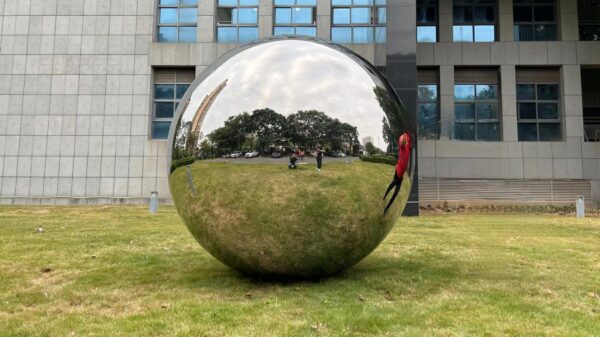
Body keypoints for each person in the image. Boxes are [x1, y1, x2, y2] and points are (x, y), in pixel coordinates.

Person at [383, 132, 412, 214]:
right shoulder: (402, 148)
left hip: (401, 178)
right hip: (397, 174)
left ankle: (386, 209)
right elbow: (401, 139)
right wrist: (403, 138)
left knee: (395, 195)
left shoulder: (407, 146)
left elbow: (407, 137)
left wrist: (406, 136)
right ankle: (384, 196)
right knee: (390, 186)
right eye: (405, 141)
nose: (406, 141)